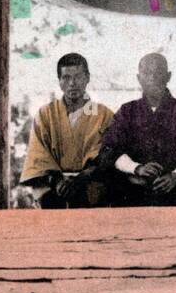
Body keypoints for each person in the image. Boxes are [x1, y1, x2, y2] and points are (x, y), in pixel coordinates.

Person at [95, 53, 176, 206]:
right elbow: (109, 149)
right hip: (134, 191)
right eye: (147, 73)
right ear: (138, 78)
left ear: (168, 76)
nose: (153, 78)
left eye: (159, 73)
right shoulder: (127, 111)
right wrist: (137, 168)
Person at [20, 53, 114, 208]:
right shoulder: (46, 114)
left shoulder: (104, 115)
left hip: (90, 183)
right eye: (66, 77)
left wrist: (80, 179)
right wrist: (57, 181)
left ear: (87, 78)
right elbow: (39, 156)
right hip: (53, 184)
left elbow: (107, 156)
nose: (72, 83)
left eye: (78, 76)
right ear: (59, 82)